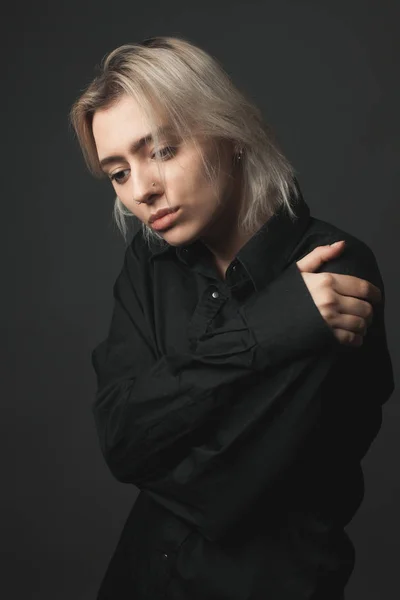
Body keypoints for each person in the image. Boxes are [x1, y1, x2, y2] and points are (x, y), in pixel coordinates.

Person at [70, 36, 394, 600]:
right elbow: (120, 439)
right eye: (118, 172)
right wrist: (268, 328)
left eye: (162, 150)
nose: (142, 190)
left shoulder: (335, 269)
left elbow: (225, 491)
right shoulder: (150, 263)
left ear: (230, 132)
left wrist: (159, 440)